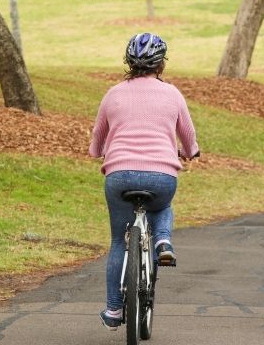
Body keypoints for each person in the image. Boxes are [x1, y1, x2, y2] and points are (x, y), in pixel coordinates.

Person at [89, 32, 200, 330]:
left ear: (129, 62)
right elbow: (189, 137)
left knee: (117, 241)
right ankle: (163, 240)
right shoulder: (173, 94)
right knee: (162, 205)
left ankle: (114, 310)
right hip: (162, 175)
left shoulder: (113, 94)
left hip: (119, 176)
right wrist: (191, 152)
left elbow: (96, 141)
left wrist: (97, 151)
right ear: (161, 64)